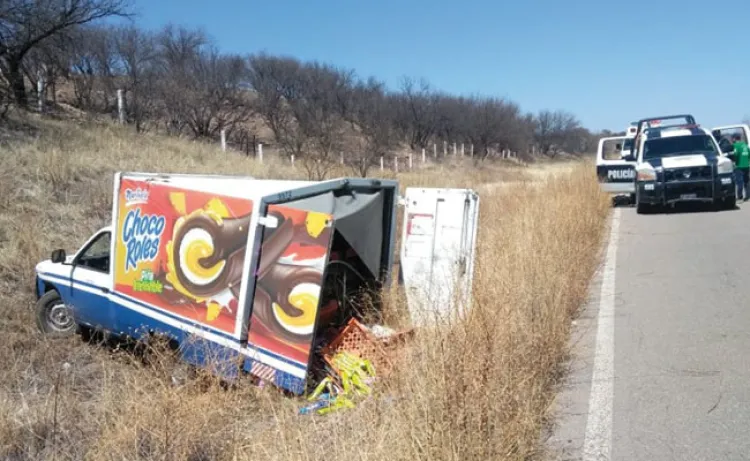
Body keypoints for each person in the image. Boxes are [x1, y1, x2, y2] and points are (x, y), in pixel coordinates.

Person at [732, 134, 750, 201]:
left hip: (739, 166)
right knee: (747, 181)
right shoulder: (745, 145)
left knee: (739, 182)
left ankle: (740, 196)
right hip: (747, 166)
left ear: (734, 139)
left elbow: (735, 154)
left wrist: (734, 161)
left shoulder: (736, 145)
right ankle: (748, 196)